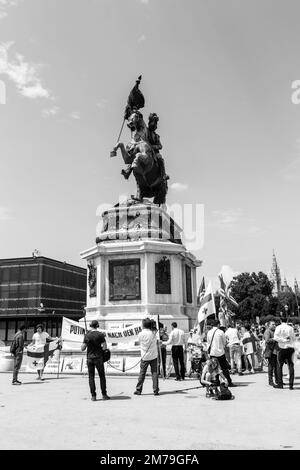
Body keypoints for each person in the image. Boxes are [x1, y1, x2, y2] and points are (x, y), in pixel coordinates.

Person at [81, 320, 110, 401]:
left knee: (91, 377)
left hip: (90, 358)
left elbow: (82, 348)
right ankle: (104, 395)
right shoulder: (100, 335)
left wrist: (87, 340)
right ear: (97, 326)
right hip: (98, 358)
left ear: (90, 326)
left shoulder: (87, 335)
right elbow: (104, 347)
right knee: (102, 376)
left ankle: (93, 396)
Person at [134, 318, 159, 396]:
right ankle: (155, 390)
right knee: (154, 373)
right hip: (153, 355)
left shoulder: (140, 334)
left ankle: (138, 389)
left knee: (142, 373)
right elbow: (157, 341)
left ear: (143, 325)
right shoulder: (153, 333)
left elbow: (139, 342)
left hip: (144, 356)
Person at [207, 319, 235, 386]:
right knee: (224, 368)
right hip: (220, 352)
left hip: (212, 353)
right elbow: (224, 342)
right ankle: (228, 381)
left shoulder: (209, 332)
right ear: (218, 324)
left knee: (214, 369)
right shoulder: (221, 332)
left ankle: (216, 381)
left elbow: (208, 342)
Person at [273, 316, 295, 390]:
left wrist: (283, 340)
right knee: (291, 366)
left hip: (281, 348)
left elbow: (275, 337)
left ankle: (280, 384)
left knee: (279, 366)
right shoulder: (290, 328)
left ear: (280, 320)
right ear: (287, 320)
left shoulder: (278, 327)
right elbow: (293, 338)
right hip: (290, 347)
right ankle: (291, 385)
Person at [264, 320, 278, 386]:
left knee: (277, 367)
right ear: (269, 325)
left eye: (275, 324)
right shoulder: (267, 331)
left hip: (276, 351)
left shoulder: (274, 331)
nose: (274, 325)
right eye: (273, 324)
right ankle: (270, 381)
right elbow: (267, 341)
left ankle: (278, 380)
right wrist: (275, 339)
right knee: (271, 367)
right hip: (271, 351)